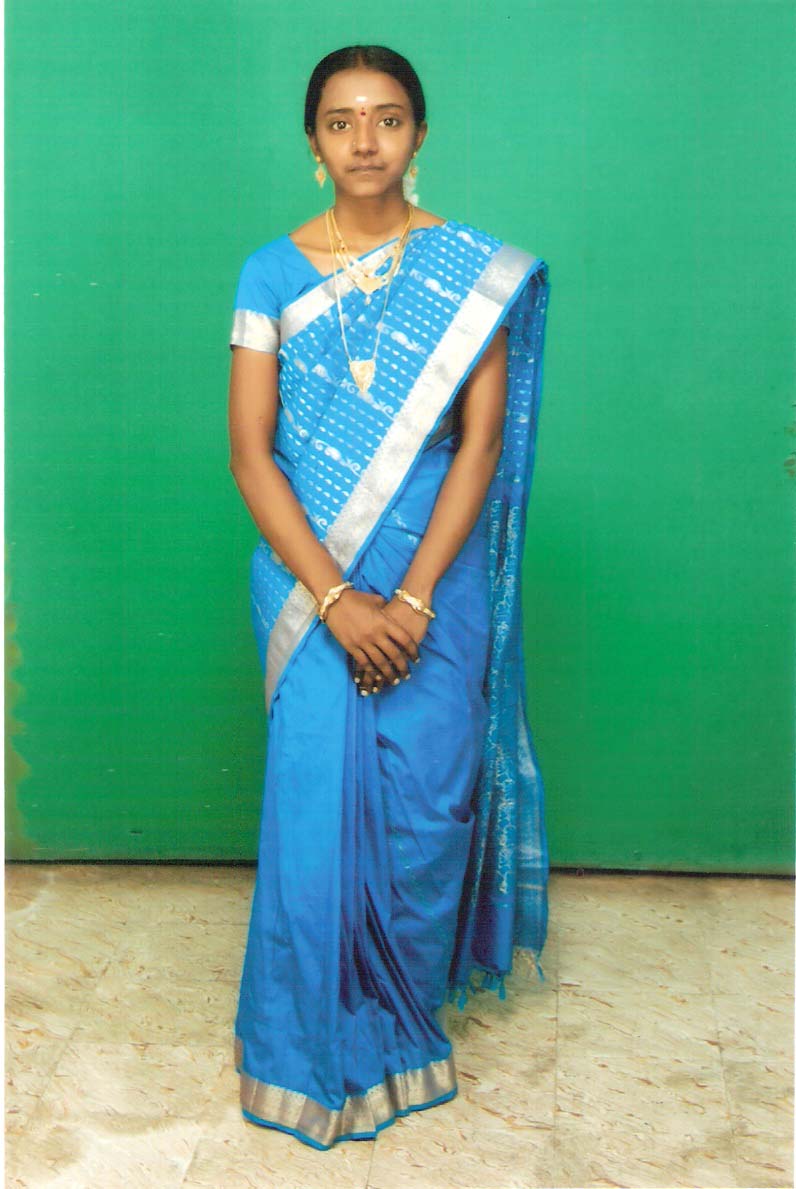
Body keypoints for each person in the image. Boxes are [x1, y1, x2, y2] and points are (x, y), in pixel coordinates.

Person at [227, 43, 551, 1151]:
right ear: (312, 143)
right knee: (313, 813)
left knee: (428, 809)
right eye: (340, 121)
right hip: (306, 580)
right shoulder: (269, 273)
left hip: (433, 581)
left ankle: (406, 1024)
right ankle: (305, 1050)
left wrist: (409, 602)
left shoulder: (470, 273)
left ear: (419, 134)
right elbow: (252, 456)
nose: (365, 141)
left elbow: (479, 446)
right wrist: (336, 600)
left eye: (388, 118)